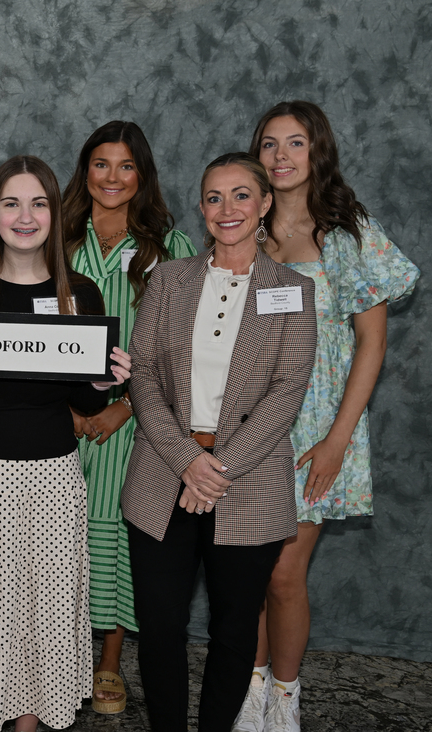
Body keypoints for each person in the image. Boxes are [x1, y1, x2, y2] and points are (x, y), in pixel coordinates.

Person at [0, 155, 133, 732]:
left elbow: (88, 404)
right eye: (11, 203)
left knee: (45, 615)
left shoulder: (80, 295)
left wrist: (102, 383)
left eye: (38, 203)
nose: (25, 216)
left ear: (54, 212)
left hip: (53, 478)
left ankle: (29, 726)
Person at [231, 102, 421, 732]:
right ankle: (248, 693)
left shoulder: (346, 231)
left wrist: (338, 439)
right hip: (248, 426)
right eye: (268, 144)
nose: (280, 157)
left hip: (316, 430)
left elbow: (372, 342)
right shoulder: (240, 228)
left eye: (295, 144)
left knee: (283, 573)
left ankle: (286, 697)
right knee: (248, 572)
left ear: (318, 153)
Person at [121, 152, 317, 732]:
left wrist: (218, 468)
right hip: (162, 475)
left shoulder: (292, 290)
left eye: (239, 196)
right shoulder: (170, 279)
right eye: (213, 197)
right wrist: (187, 459)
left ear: (262, 205)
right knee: (159, 628)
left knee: (235, 630)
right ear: (201, 208)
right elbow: (144, 374)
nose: (225, 209)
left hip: (249, 484)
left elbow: (286, 393)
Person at [61, 120, 197, 714]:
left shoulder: (173, 249)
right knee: (59, 544)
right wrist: (67, 406)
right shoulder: (55, 241)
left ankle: (109, 664)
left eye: (126, 166)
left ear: (143, 176)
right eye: (100, 164)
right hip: (60, 422)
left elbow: (186, 353)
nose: (112, 178)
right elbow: (29, 336)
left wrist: (122, 407)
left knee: (122, 539)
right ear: (84, 170)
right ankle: (57, 662)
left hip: (141, 427)